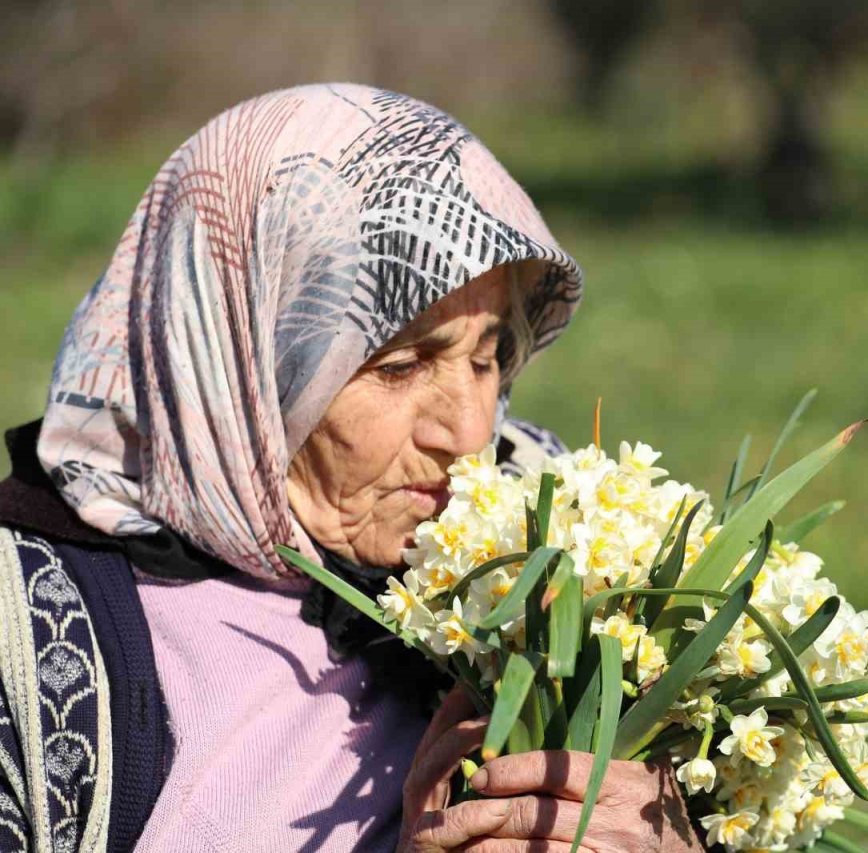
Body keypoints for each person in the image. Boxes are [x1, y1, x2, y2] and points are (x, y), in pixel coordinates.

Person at [0, 84, 703, 853]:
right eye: (401, 365)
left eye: (489, 356)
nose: (471, 434)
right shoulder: (27, 629)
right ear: (243, 357)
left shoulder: (562, 525)